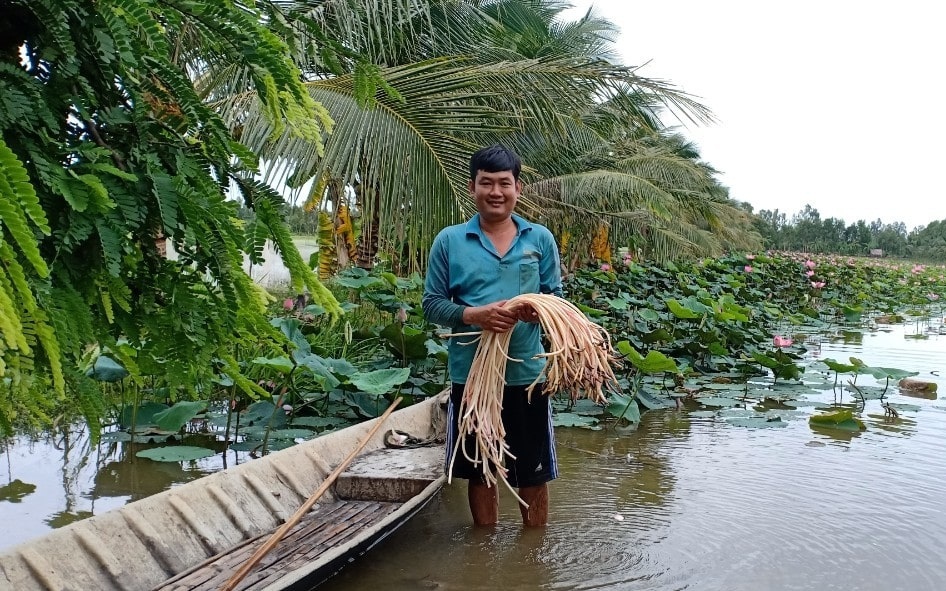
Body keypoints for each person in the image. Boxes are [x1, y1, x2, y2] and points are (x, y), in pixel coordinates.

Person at [422, 144, 563, 527]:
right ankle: (483, 549)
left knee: (532, 472)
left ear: (517, 188)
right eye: (487, 183)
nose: (496, 192)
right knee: (481, 469)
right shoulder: (449, 241)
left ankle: (532, 555)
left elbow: (556, 299)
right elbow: (432, 304)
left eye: (505, 183)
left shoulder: (540, 239)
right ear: (473, 187)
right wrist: (474, 315)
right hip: (471, 379)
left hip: (526, 376)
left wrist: (536, 310)